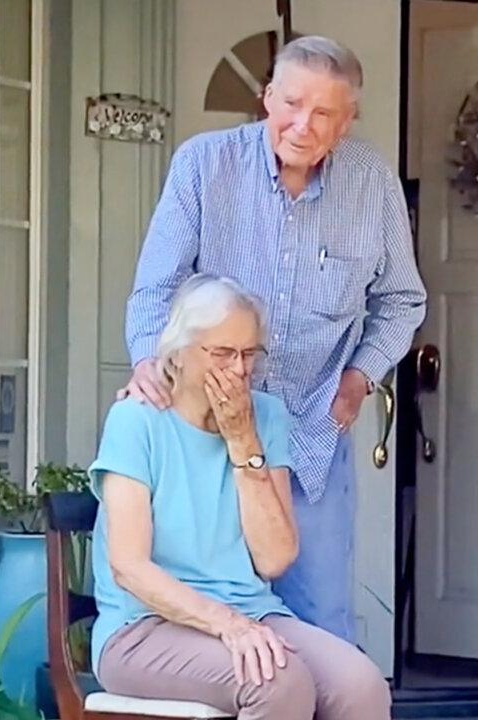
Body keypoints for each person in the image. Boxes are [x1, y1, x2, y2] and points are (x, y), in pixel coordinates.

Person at [121, 35, 426, 643]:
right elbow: (157, 288)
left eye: (324, 113)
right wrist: (151, 365)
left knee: (321, 625)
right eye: (291, 104)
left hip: (311, 434)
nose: (302, 125)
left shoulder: (372, 183)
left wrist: (360, 376)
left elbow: (402, 299)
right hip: (205, 435)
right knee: (209, 618)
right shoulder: (203, 164)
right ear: (267, 97)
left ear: (348, 121)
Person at [92, 274, 390, 720]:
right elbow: (129, 568)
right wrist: (226, 625)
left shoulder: (266, 417)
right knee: (279, 683)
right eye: (222, 353)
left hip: (252, 612)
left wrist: (243, 441)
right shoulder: (136, 421)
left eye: (250, 354)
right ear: (178, 353)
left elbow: (274, 559)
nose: (239, 370)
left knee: (361, 686)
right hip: (143, 627)